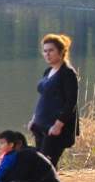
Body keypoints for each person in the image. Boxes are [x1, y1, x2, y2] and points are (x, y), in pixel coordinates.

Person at [27, 33, 79, 170]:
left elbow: (71, 102)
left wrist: (58, 125)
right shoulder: (48, 71)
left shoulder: (68, 73)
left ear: (61, 52)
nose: (47, 54)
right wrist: (34, 119)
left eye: (51, 50)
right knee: (41, 165)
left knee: (46, 166)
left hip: (55, 129)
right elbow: (44, 97)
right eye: (45, 51)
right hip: (41, 126)